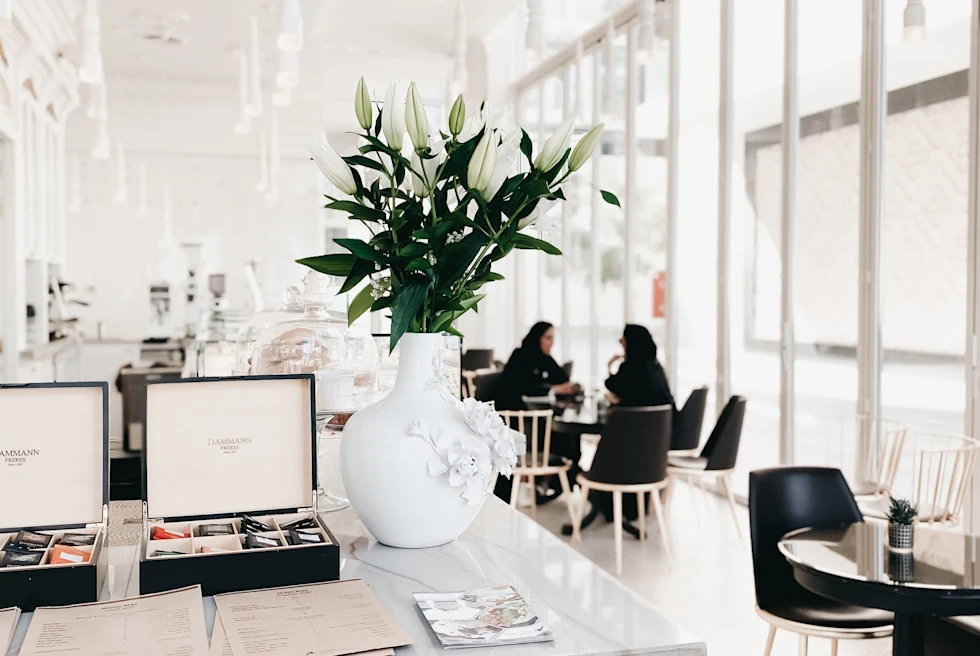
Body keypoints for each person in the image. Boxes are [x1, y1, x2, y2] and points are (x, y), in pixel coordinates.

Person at [493, 322, 576, 411]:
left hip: (534, 409)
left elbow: (562, 379)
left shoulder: (544, 357)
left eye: (553, 338)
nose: (552, 343)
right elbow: (525, 387)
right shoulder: (520, 355)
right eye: (548, 338)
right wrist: (554, 389)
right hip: (515, 411)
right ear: (537, 339)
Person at [604, 324, 675, 409]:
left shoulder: (630, 368)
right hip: (664, 420)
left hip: (636, 420)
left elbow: (612, 385)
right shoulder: (656, 367)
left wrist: (609, 366)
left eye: (622, 340)